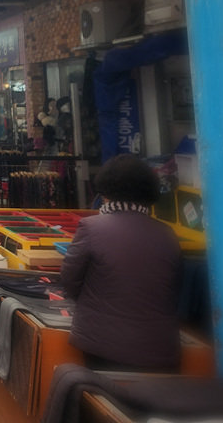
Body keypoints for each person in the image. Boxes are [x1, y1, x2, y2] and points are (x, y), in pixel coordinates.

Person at [61, 154, 182, 371]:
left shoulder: (91, 228)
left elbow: (70, 282)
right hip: (161, 349)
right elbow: (175, 289)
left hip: (103, 346)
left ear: (105, 192)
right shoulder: (168, 234)